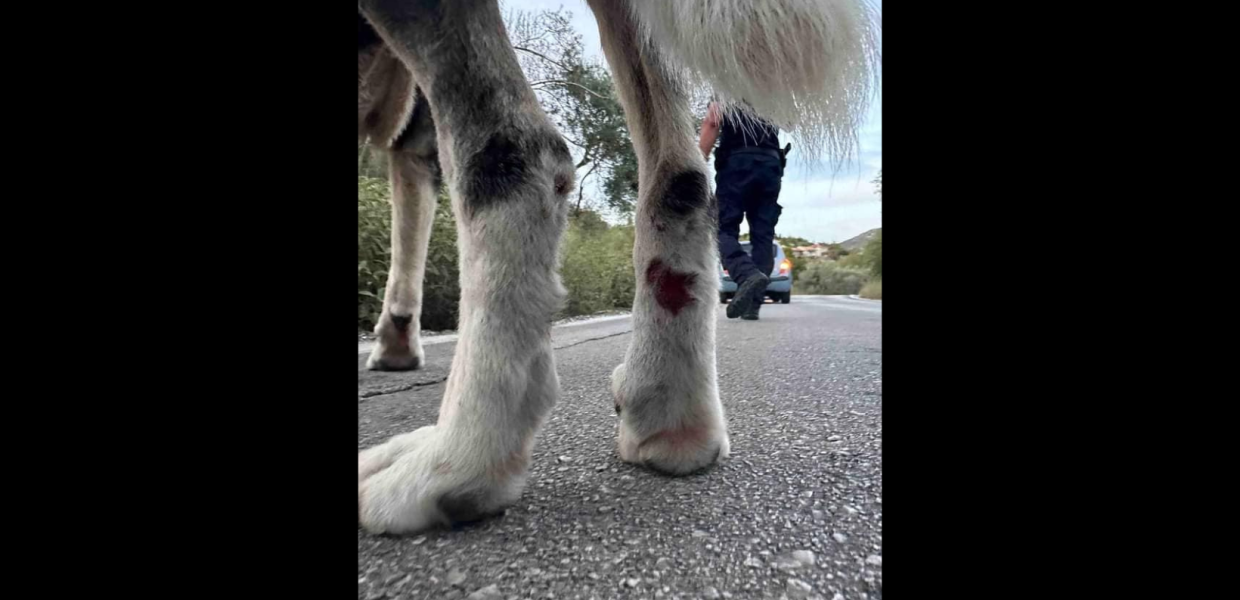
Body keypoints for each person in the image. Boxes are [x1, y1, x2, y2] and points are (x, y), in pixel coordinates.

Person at [699, 100, 789, 320]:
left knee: (722, 228)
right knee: (763, 236)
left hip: (737, 163)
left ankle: (745, 274)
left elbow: (712, 122)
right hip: (770, 165)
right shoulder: (771, 90)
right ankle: (752, 305)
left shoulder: (726, 85)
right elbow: (788, 121)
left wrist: (698, 162)